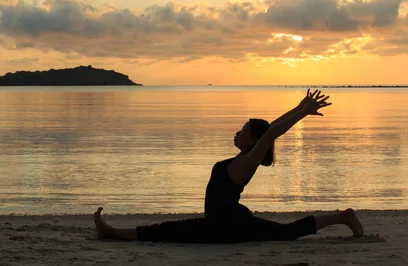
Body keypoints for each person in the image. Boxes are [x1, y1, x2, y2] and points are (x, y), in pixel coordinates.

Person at [93, 89, 364, 243]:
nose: (237, 132)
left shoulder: (247, 162)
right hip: (225, 222)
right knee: (167, 229)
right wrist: (298, 106)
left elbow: (271, 133)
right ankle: (343, 216)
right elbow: (269, 130)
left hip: (227, 227)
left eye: (242, 130)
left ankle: (344, 216)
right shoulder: (243, 159)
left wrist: (302, 113)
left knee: (166, 231)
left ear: (253, 140)